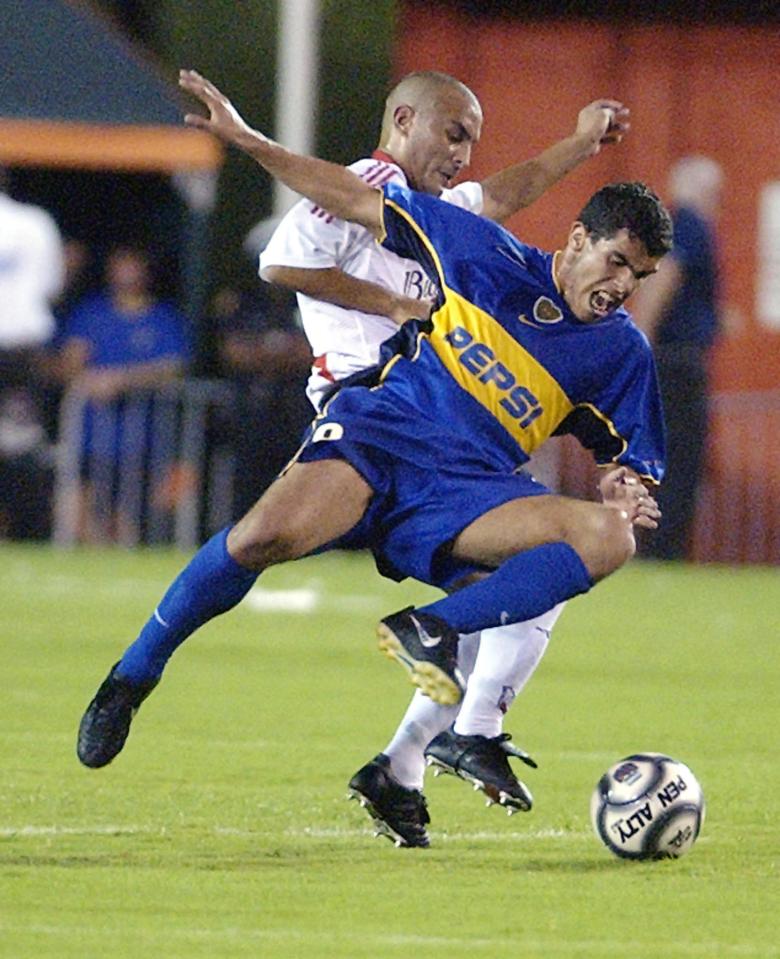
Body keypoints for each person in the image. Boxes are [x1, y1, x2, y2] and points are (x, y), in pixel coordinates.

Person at [77, 72, 668, 856]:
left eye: (640, 277)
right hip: (378, 425)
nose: (623, 287)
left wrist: (627, 485)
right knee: (258, 540)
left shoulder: (620, 347)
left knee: (601, 542)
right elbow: (331, 224)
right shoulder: (464, 240)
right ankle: (134, 673)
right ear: (577, 242)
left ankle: (432, 717)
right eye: (618, 263)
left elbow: (632, 458)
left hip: (470, 489)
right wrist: (251, 142)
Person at [258, 71, 630, 844]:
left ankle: (402, 767)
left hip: (432, 420)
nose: (464, 153)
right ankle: (469, 733)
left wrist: (578, 143)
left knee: (525, 575)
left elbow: (504, 192)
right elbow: (282, 263)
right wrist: (391, 303)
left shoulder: (427, 209)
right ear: (403, 118)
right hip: (382, 420)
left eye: (471, 140)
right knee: (542, 556)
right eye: (454, 133)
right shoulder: (369, 186)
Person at [56, 245, 190, 543]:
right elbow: (70, 361)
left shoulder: (162, 318)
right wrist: (86, 378)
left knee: (128, 515)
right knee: (78, 507)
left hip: (141, 438)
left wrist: (122, 381)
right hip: (91, 435)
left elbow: (173, 366)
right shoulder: (91, 314)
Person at [632, 155, 723, 560]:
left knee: (668, 457)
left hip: (669, 358)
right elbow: (666, 278)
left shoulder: (671, 226)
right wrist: (642, 342)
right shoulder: (690, 225)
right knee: (681, 458)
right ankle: (664, 550)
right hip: (676, 362)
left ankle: (660, 548)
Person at [0, 166, 65, 540]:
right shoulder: (35, 223)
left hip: (20, 354)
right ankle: (28, 532)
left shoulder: (33, 223)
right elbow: (51, 286)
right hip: (24, 350)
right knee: (24, 446)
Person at [214, 284, 312, 516]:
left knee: (298, 482)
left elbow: (315, 352)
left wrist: (269, 356)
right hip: (253, 413)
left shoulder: (308, 300)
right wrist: (277, 355)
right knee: (249, 488)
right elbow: (234, 352)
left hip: (297, 412)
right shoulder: (245, 303)